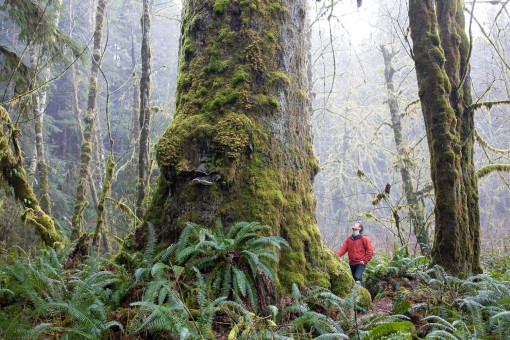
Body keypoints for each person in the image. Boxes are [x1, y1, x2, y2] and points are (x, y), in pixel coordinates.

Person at [336, 222, 374, 286]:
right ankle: (362, 292)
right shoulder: (349, 239)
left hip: (360, 263)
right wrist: (335, 255)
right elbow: (343, 249)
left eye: (356, 224)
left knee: (357, 277)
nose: (354, 224)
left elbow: (370, 251)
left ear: (359, 228)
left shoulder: (364, 239)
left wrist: (364, 261)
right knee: (354, 279)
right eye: (354, 224)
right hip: (352, 263)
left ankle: (363, 292)